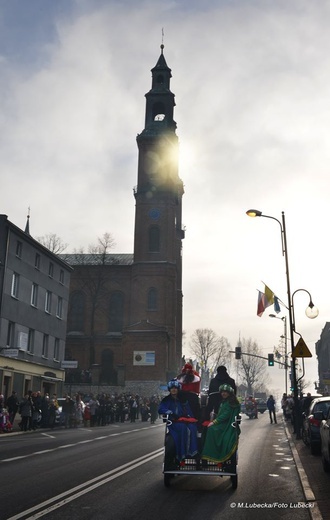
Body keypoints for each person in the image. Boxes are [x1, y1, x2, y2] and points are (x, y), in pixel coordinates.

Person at [158, 380, 198, 467]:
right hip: (174, 422)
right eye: (172, 388)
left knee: (193, 427)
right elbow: (160, 409)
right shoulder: (166, 400)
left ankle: (193, 452)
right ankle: (181, 454)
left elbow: (188, 410)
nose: (174, 390)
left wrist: (189, 417)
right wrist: (170, 412)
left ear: (178, 389)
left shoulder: (182, 399)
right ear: (169, 389)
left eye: (175, 388)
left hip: (183, 420)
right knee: (183, 428)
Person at [202, 384, 241, 463]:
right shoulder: (225, 401)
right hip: (223, 423)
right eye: (222, 392)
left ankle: (213, 453)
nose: (223, 394)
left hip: (226, 425)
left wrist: (214, 422)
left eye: (225, 392)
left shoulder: (230, 403)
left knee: (211, 429)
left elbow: (225, 415)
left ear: (229, 393)